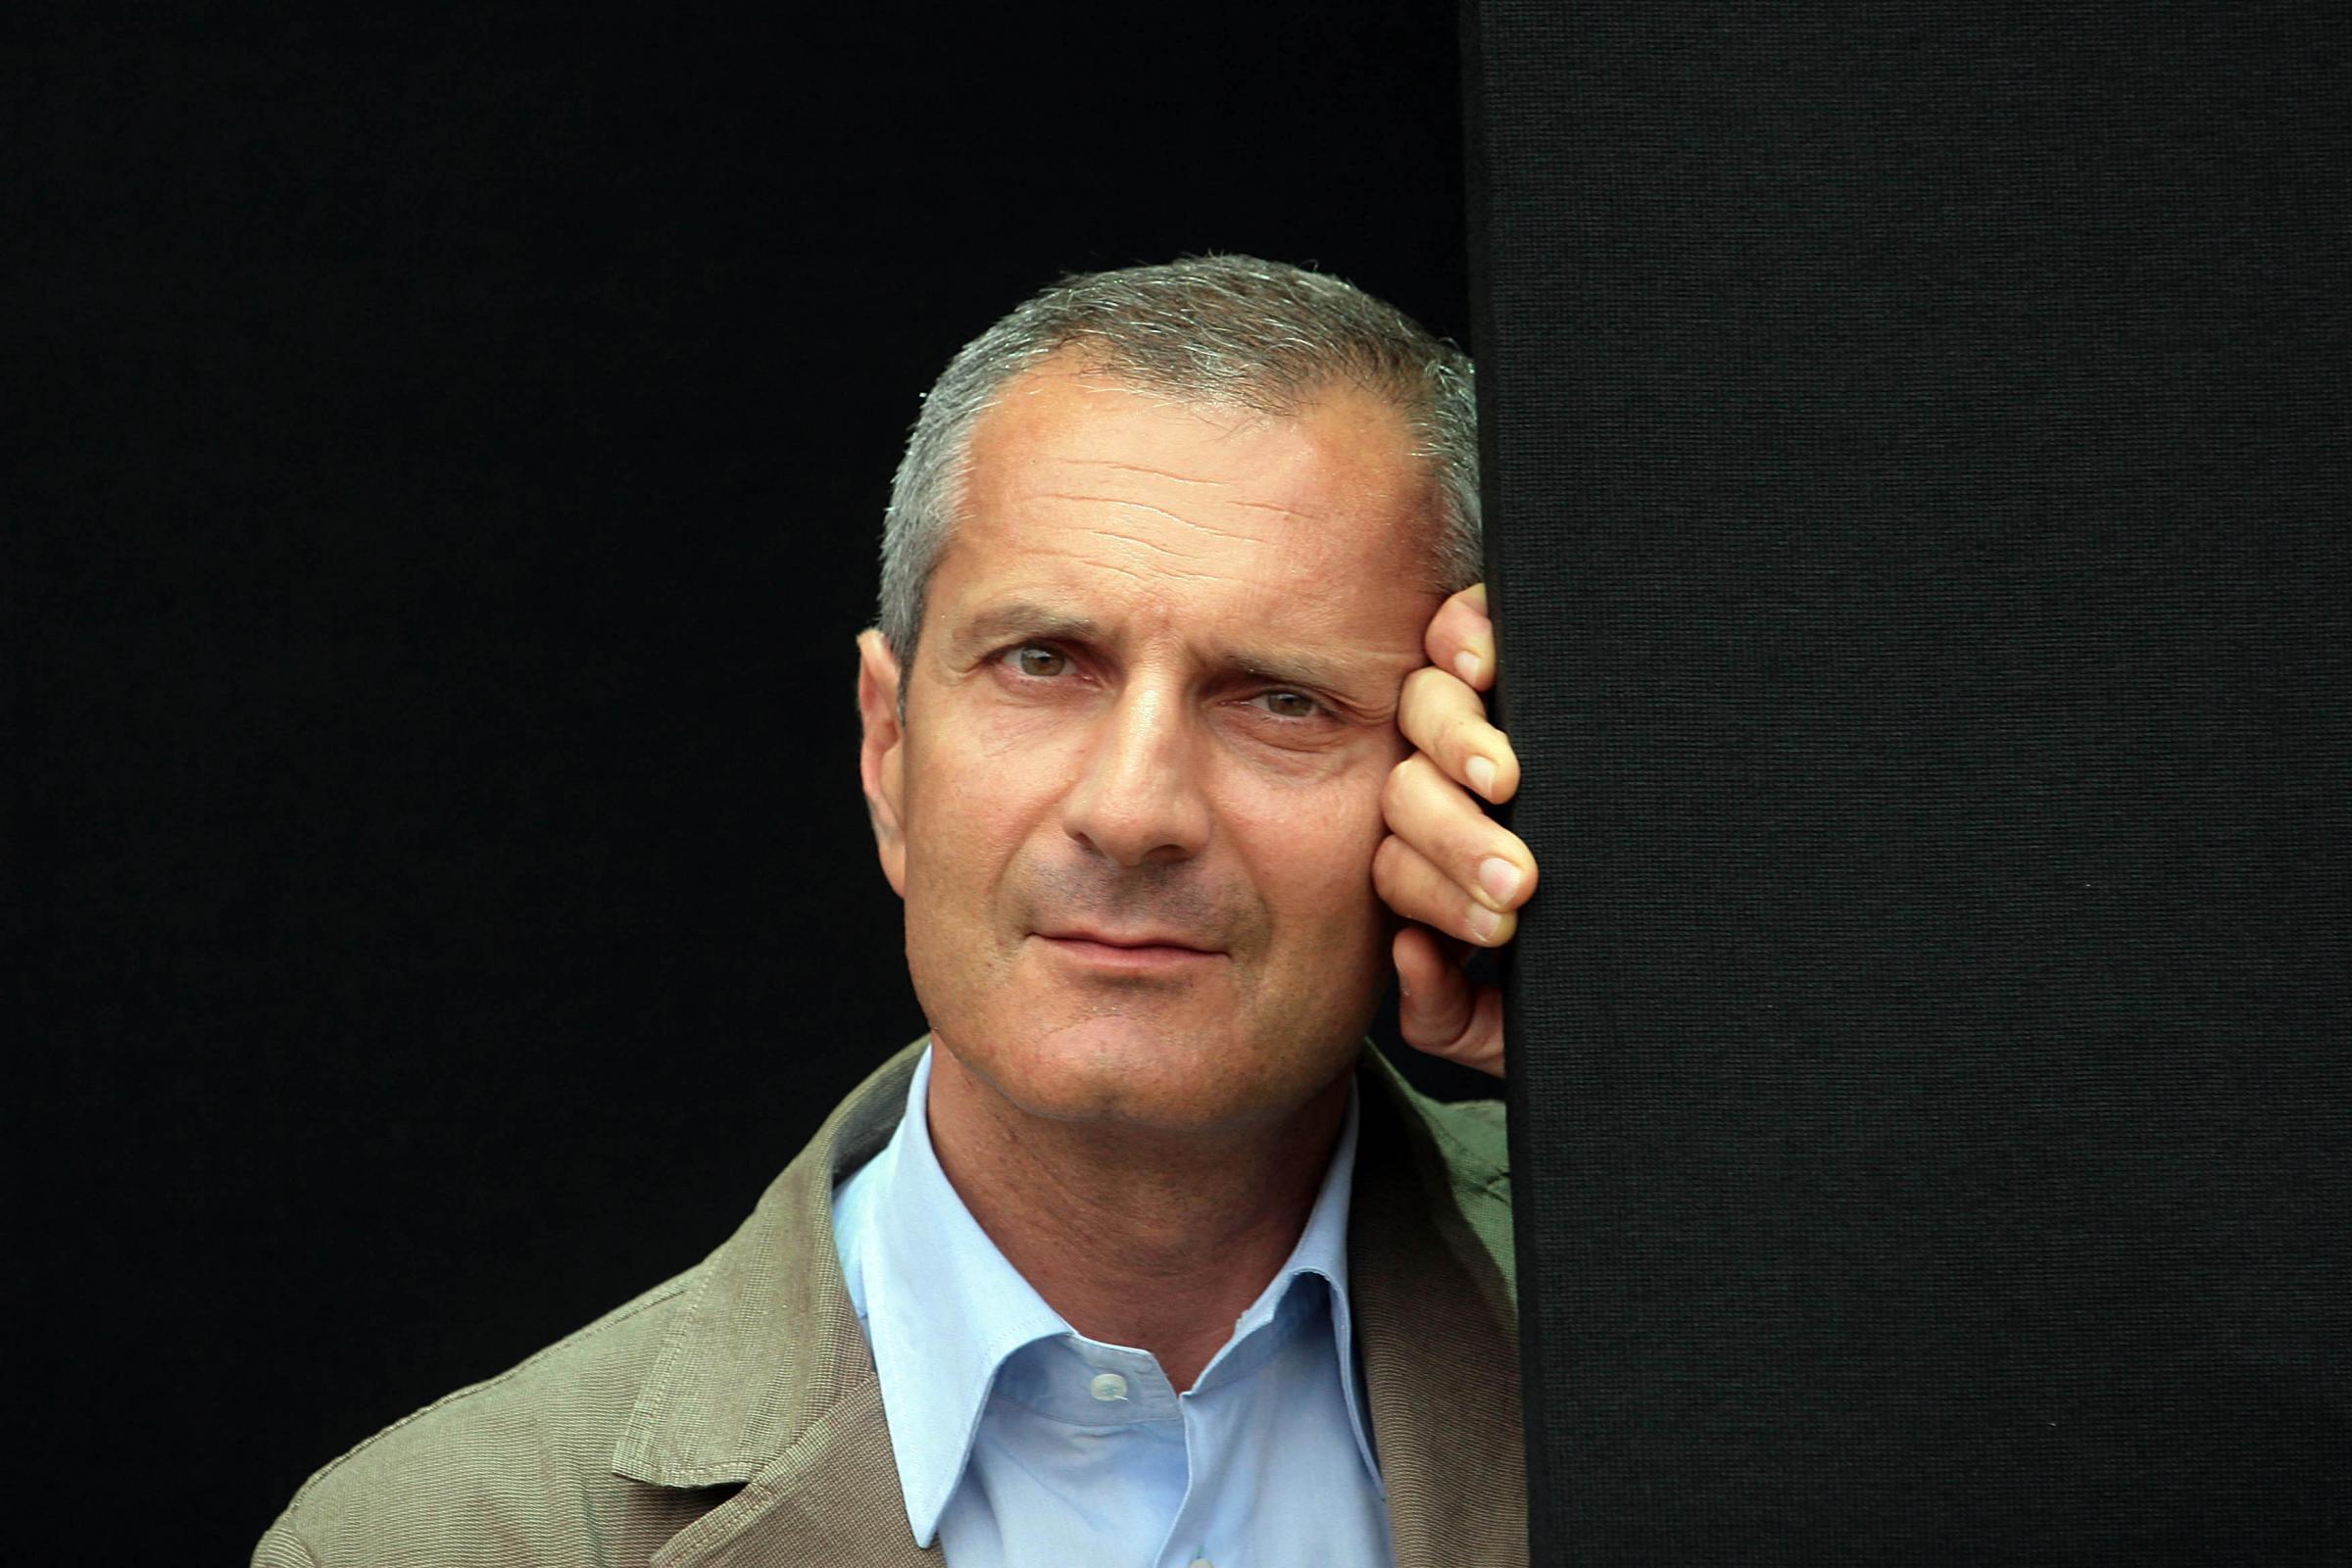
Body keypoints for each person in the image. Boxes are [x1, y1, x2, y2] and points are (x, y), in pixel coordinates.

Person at [253, 257, 1540, 1568]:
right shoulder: (430, 1543)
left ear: (1459, 767)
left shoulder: (1663, 1296)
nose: (1133, 809)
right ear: (889, 755)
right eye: (1043, 663)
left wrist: (1610, 1041)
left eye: (1282, 699)